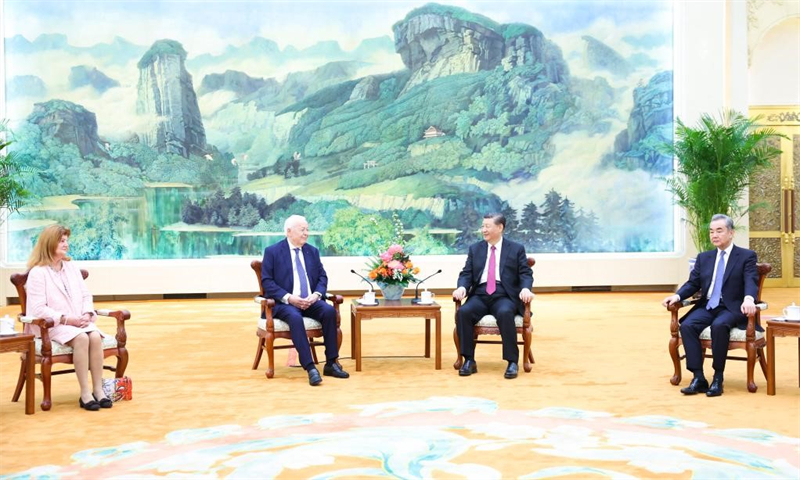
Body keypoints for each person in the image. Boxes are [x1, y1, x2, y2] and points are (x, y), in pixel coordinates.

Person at [662, 214, 759, 397]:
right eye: (711, 232)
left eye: (719, 231)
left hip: (732, 307)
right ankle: (698, 377)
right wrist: (677, 296)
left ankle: (718, 378)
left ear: (731, 233)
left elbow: (750, 281)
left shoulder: (746, 256)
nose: (714, 235)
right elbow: (693, 284)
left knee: (719, 326)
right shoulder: (704, 257)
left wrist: (748, 299)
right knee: (688, 326)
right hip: (707, 305)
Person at [25, 224, 114, 411]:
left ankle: (98, 390)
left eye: (66, 240)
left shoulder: (71, 266)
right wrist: (67, 319)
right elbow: (38, 309)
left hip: (77, 321)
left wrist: (87, 314)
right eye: (62, 240)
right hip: (51, 325)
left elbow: (85, 295)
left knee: (95, 336)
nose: (66, 244)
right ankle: (85, 393)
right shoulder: (37, 272)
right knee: (82, 338)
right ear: (49, 243)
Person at [261, 215, 349, 386]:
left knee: (329, 311)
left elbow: (322, 277)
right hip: (284, 303)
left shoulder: (312, 251)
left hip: (310, 301)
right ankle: (310, 367)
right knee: (294, 317)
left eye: (307, 229)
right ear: (288, 231)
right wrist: (289, 297)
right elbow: (267, 282)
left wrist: (316, 295)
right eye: (302, 230)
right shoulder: (272, 251)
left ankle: (331, 363)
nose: (306, 233)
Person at [453, 213, 534, 379]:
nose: (483, 230)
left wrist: (525, 289)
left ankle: (512, 361)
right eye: (482, 226)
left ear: (500, 227)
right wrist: (461, 287)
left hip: (504, 294)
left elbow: (526, 273)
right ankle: (469, 359)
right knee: (463, 312)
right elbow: (467, 273)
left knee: (505, 313)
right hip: (480, 294)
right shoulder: (475, 249)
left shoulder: (516, 248)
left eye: (487, 226)